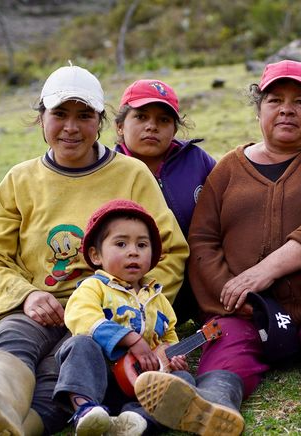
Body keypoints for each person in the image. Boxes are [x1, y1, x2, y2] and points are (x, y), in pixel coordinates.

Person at [0, 64, 189, 436]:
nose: (71, 128)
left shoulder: (132, 175)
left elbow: (170, 252)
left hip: (103, 316)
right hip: (40, 310)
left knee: (64, 374)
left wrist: (132, 310)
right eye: (59, 114)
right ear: (41, 117)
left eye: (84, 116)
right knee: (15, 338)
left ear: (101, 121)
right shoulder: (19, 180)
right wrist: (26, 296)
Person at [131, 60, 301, 436]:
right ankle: (211, 406)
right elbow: (203, 241)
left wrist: (261, 273)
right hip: (243, 310)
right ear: (259, 109)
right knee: (226, 351)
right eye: (275, 99)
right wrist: (230, 295)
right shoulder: (227, 168)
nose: (287, 109)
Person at [53, 199, 191, 435]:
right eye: (121, 243)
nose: (133, 252)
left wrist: (173, 357)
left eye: (142, 245)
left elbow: (169, 335)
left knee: (184, 379)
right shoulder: (93, 287)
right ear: (96, 255)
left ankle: (136, 421)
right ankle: (86, 410)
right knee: (79, 344)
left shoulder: (158, 299)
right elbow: (81, 318)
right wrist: (130, 339)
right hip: (100, 378)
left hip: (140, 384)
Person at [114, 79, 216, 323]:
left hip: (202, 280)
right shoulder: (109, 172)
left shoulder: (197, 160)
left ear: (175, 129)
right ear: (120, 126)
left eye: (163, 120)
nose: (152, 126)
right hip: (138, 288)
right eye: (141, 117)